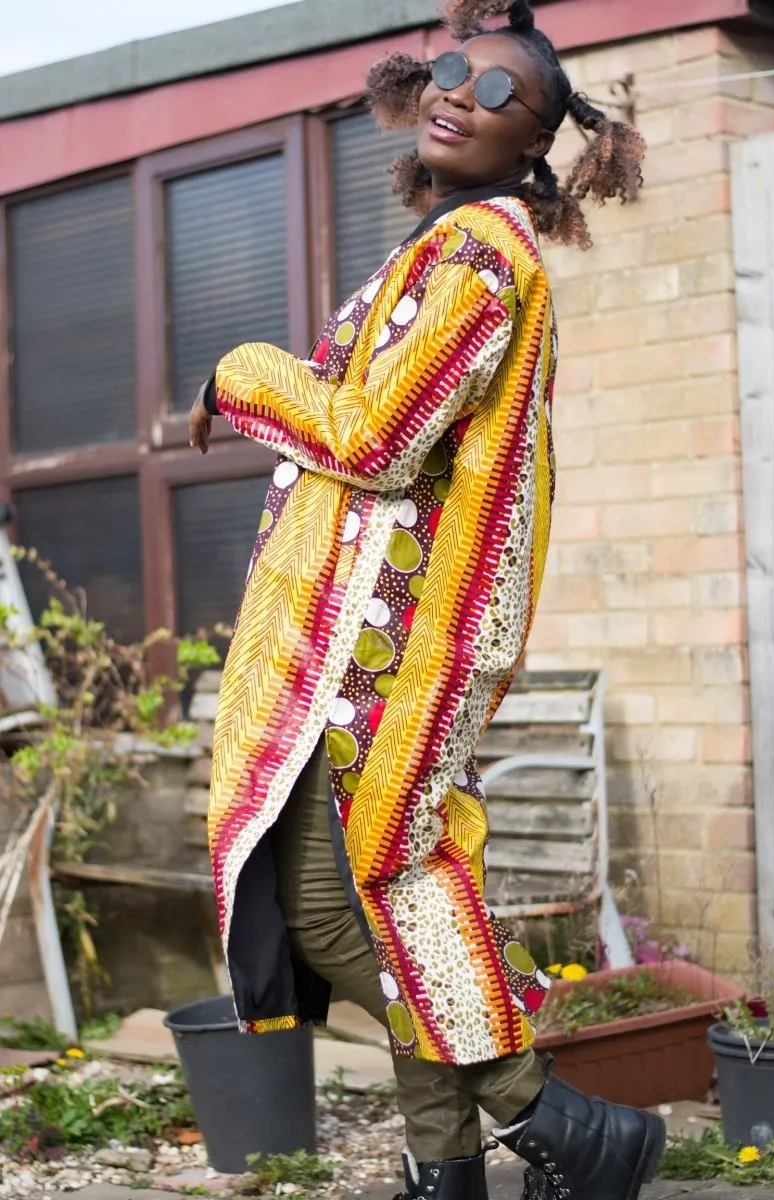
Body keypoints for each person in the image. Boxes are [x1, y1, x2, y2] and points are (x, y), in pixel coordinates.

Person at [189, 2, 655, 1198]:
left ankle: (548, 1115)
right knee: (377, 890)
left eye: (502, 96)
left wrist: (241, 373)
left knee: (334, 903)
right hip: (367, 634)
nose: (461, 95)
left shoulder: (482, 262)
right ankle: (448, 1168)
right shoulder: (447, 247)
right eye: (453, 71)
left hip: (399, 641)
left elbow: (379, 436)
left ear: (532, 147)